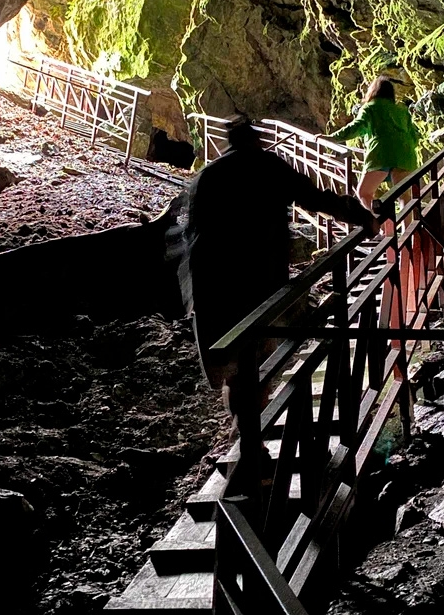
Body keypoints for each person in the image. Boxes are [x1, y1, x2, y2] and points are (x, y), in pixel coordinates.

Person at [175, 116, 376, 424]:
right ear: (256, 140)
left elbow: (189, 237)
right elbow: (315, 198)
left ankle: (246, 435)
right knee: (259, 359)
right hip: (259, 280)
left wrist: (193, 296)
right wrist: (362, 217)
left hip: (214, 286)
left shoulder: (207, 177)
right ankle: (250, 435)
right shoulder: (268, 166)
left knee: (236, 368)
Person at [326, 75, 420, 210]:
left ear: (373, 91)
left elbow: (356, 127)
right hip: (406, 154)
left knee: (364, 193)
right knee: (404, 196)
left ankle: (381, 222)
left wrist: (332, 138)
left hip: (381, 155)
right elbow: (414, 137)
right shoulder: (402, 110)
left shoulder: (370, 108)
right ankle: (405, 224)